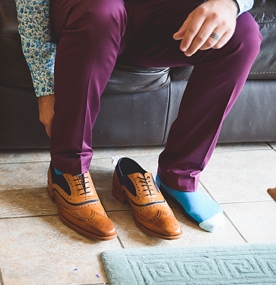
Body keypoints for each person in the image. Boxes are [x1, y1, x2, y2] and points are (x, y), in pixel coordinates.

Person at [17, 0, 261, 239]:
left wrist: (232, 3)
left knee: (244, 35)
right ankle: (67, 169)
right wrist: (46, 87)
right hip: (87, 12)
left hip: (157, 14)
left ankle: (179, 176)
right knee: (102, 11)